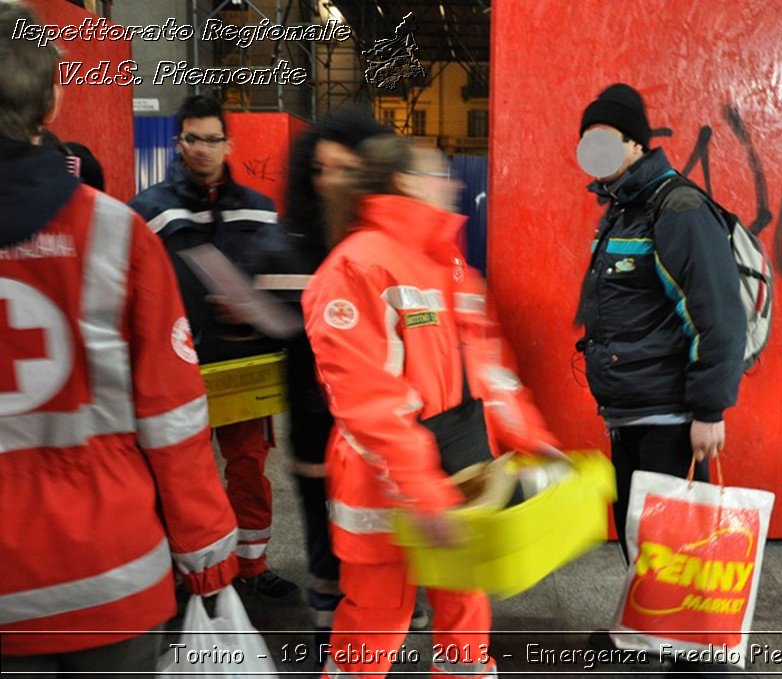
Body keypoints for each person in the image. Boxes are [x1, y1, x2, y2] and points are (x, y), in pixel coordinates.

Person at [0, 1, 238, 675]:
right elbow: (173, 413)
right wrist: (207, 552)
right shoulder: (117, 233)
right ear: (52, 102)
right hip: (112, 576)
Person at [302, 135, 559, 678]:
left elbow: (492, 373)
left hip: (461, 476)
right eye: (440, 173)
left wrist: (532, 443)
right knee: (373, 628)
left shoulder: (450, 264)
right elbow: (368, 403)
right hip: (385, 488)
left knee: (465, 621)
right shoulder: (355, 267)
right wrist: (426, 493)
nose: (453, 184)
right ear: (406, 183)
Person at [575, 84, 745, 675]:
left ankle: (697, 663)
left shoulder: (678, 210)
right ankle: (642, 631)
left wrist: (709, 411)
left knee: (675, 544)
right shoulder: (625, 208)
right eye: (585, 140)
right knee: (639, 532)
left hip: (671, 414)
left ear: (633, 142)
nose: (590, 151)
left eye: (602, 139)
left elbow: (718, 314)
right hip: (629, 410)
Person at [251, 107, 433, 641]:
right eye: (321, 169)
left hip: (383, 426)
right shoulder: (293, 243)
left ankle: (388, 610)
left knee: (384, 528)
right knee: (325, 525)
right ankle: (335, 619)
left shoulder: (393, 249)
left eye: (346, 169)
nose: (332, 181)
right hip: (314, 415)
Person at [129, 95, 298, 602]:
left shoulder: (260, 209)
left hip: (244, 367)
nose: (202, 149)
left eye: (212, 138)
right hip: (179, 373)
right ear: (178, 142)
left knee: (249, 469)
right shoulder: (148, 211)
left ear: (230, 144)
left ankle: (252, 565)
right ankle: (192, 575)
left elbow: (278, 280)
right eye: (192, 138)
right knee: (183, 478)